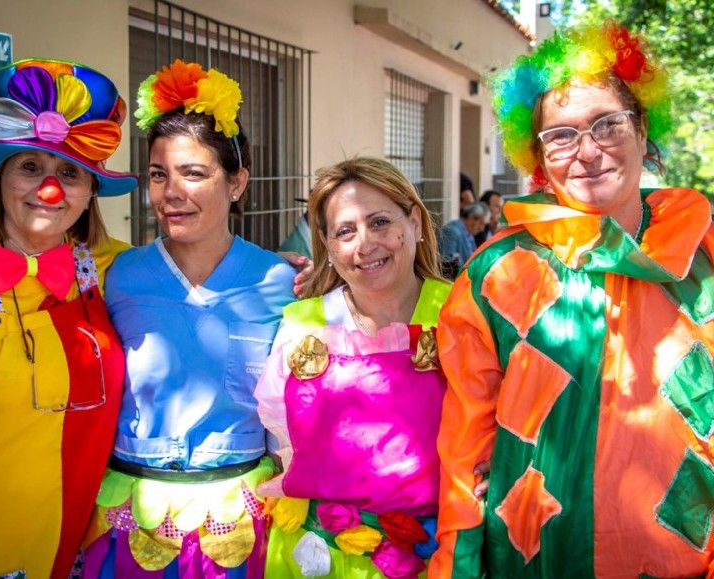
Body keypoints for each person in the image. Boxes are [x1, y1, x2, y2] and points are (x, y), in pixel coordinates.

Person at [431, 20, 714, 578]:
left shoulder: (704, 253)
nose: (587, 151)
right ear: (537, 155)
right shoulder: (497, 273)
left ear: (642, 127)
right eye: (561, 135)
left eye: (607, 124)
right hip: (535, 564)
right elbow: (466, 449)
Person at [0, 58, 137, 578]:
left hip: (67, 551)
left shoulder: (108, 270)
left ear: (88, 195)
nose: (50, 189)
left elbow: (188, 276)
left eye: (70, 174)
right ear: (1, 178)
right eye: (30, 167)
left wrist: (270, 273)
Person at [80, 59, 298, 577]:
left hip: (240, 524)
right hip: (131, 519)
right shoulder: (118, 275)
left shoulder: (282, 283)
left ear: (237, 183)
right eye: (159, 175)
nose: (171, 192)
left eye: (194, 174)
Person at [254, 156, 452, 578]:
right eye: (346, 231)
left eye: (380, 222)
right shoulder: (301, 325)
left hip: (431, 557)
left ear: (414, 223)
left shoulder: (461, 315)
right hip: (312, 556)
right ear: (326, 243)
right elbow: (280, 441)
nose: (365, 245)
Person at [437, 202, 490, 278]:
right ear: (472, 217)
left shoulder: (469, 234)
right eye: (481, 223)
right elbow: (446, 266)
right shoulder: (452, 231)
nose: (482, 228)